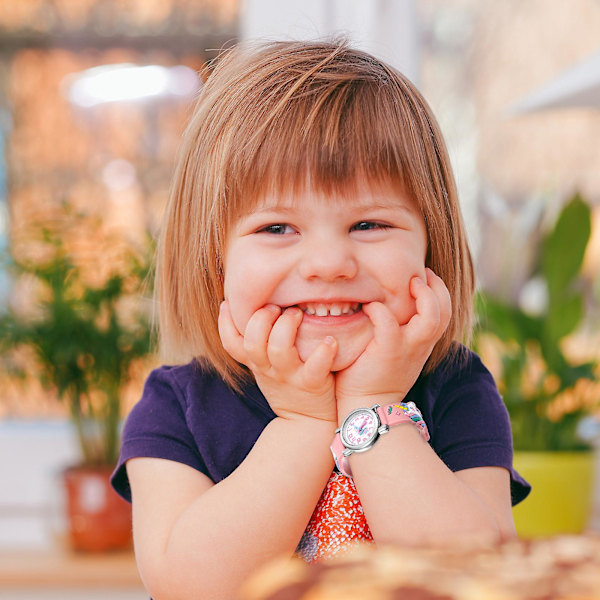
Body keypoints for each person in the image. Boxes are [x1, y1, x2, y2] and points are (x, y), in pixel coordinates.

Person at [111, 40, 530, 600]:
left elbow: (478, 577)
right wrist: (303, 425)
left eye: (369, 224)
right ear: (214, 259)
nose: (330, 265)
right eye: (277, 229)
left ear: (432, 248)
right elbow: (191, 586)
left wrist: (373, 406)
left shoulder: (457, 388)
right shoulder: (176, 407)